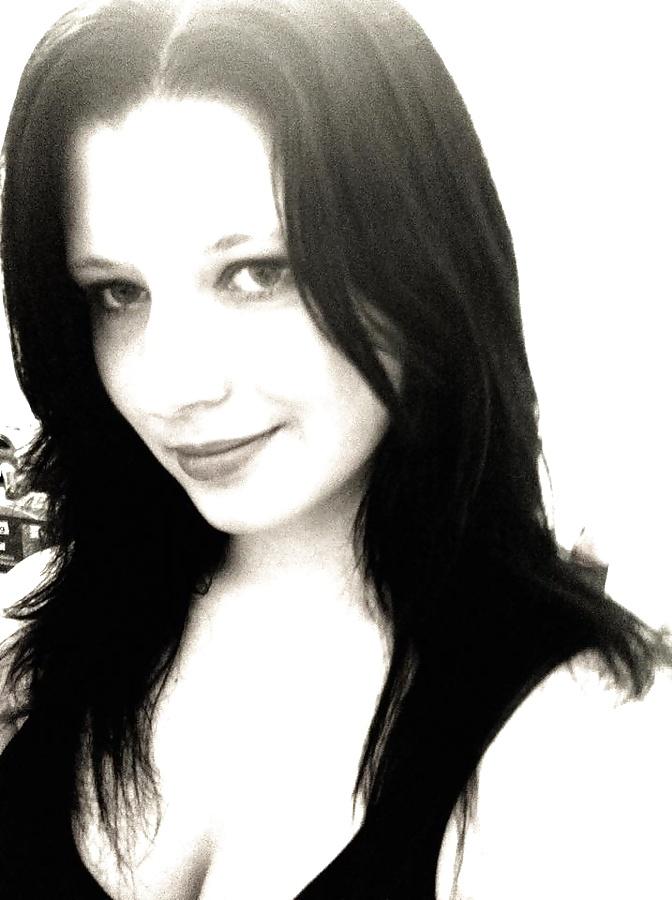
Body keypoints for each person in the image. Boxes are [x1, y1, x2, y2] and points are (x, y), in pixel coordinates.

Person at [0, 1, 670, 897]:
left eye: (258, 273)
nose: (172, 383)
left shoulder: (577, 738)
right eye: (117, 292)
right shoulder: (42, 636)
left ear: (421, 260)